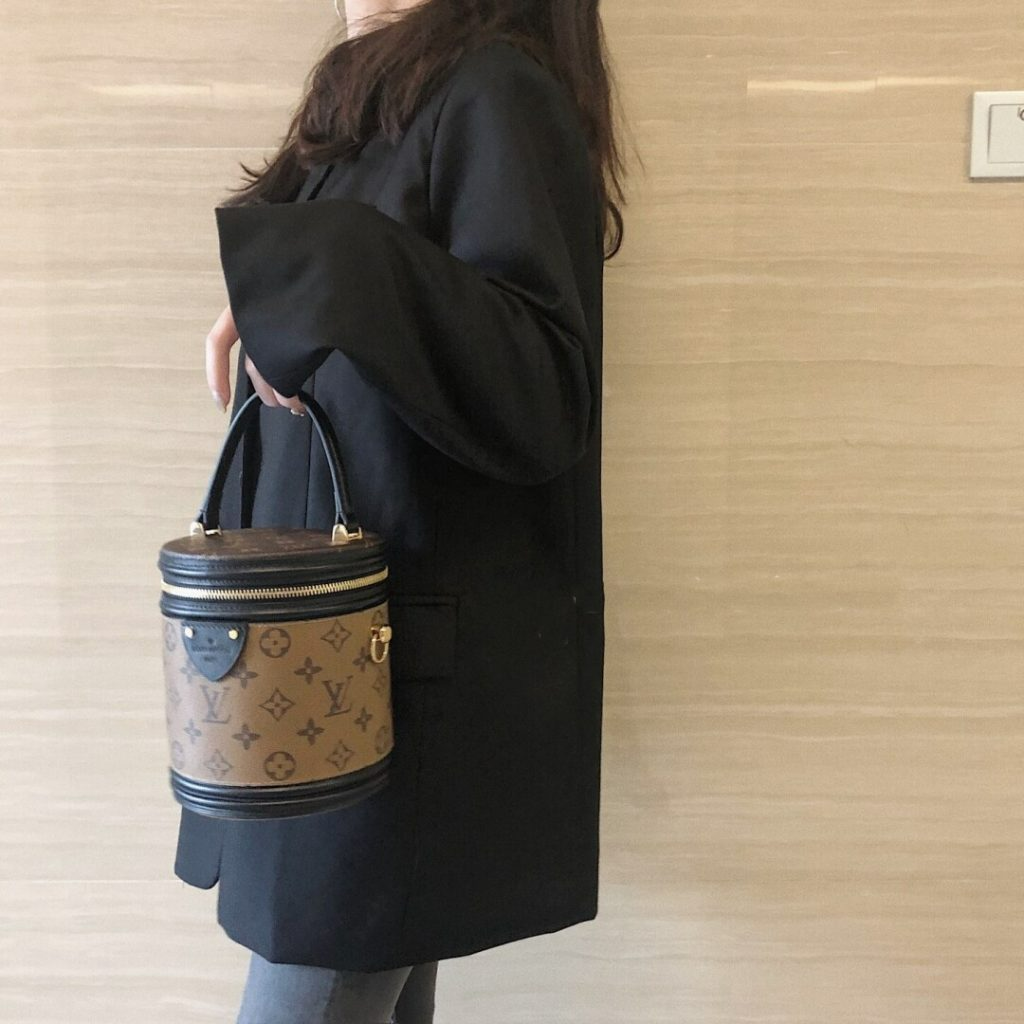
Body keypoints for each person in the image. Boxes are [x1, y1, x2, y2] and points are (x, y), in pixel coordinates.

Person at [186, 0, 628, 1021]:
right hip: (325, 667)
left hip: (379, 679)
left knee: (324, 963)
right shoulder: (383, 99)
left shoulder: (493, 90)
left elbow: (542, 390)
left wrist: (325, 264)